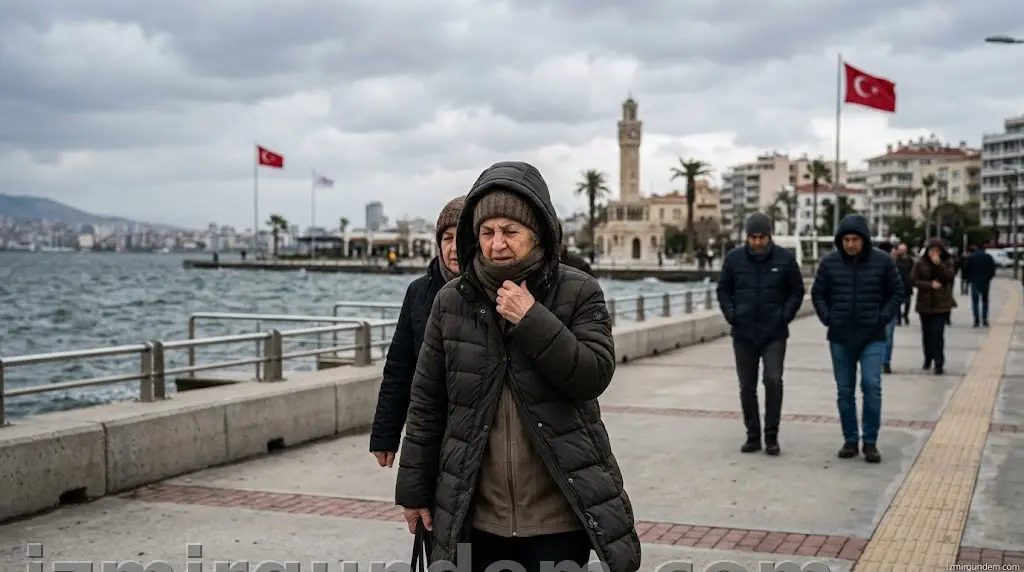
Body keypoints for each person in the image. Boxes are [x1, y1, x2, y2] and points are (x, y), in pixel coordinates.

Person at [394, 161, 641, 572]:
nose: (496, 244)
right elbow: (426, 404)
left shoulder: (578, 291)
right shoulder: (451, 301)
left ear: (538, 232)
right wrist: (414, 491)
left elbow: (593, 375)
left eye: (510, 231)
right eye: (487, 232)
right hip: (476, 518)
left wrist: (532, 319)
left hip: (560, 515)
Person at [368, 195, 465, 467]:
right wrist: (385, 434)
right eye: (447, 238)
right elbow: (399, 367)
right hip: (430, 427)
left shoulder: (495, 292)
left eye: (463, 237)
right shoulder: (419, 292)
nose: (454, 247)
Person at [811, 214, 904, 463]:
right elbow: (818, 293)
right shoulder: (829, 263)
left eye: (855, 239)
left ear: (864, 239)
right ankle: (850, 439)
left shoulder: (883, 262)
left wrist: (881, 317)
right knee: (845, 390)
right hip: (840, 336)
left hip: (872, 335)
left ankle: (870, 441)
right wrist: (828, 317)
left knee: (872, 386)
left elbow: (897, 292)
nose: (850, 244)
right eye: (846, 240)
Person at [716, 212, 805, 455]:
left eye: (761, 237)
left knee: (773, 381)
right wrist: (732, 314)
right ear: (747, 237)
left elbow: (797, 291)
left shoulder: (785, 259)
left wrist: (784, 315)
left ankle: (772, 436)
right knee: (747, 385)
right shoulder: (734, 259)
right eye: (753, 237)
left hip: (774, 333)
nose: (757, 242)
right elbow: (723, 289)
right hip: (743, 333)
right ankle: (753, 435)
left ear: (769, 236)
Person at [910, 238, 957, 374]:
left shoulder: (947, 262)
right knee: (927, 333)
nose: (934, 253)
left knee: (937, 333)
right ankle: (928, 357)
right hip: (925, 303)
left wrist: (939, 264)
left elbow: (949, 277)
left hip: (941, 303)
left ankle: (939, 362)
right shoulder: (920, 263)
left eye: (937, 251)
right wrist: (929, 285)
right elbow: (913, 280)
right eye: (932, 251)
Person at [962, 244, 996, 327]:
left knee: (975, 301)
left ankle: (976, 319)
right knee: (985, 300)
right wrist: (989, 278)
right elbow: (992, 269)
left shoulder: (971, 257)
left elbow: (966, 269)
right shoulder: (988, 257)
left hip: (974, 281)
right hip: (985, 281)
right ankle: (984, 319)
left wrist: (967, 278)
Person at [877, 242, 897, 374]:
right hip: (882, 307)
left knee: (884, 337)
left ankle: (884, 362)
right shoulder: (890, 267)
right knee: (886, 337)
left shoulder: (891, 266)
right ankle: (884, 362)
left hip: (885, 307)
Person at [893, 243, 914, 325]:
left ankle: (905, 315)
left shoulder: (909, 259)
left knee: (907, 302)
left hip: (907, 284)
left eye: (903, 250)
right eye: (900, 250)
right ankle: (898, 318)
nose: (902, 251)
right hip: (898, 283)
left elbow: (913, 270)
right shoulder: (895, 259)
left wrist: (911, 280)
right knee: (897, 302)